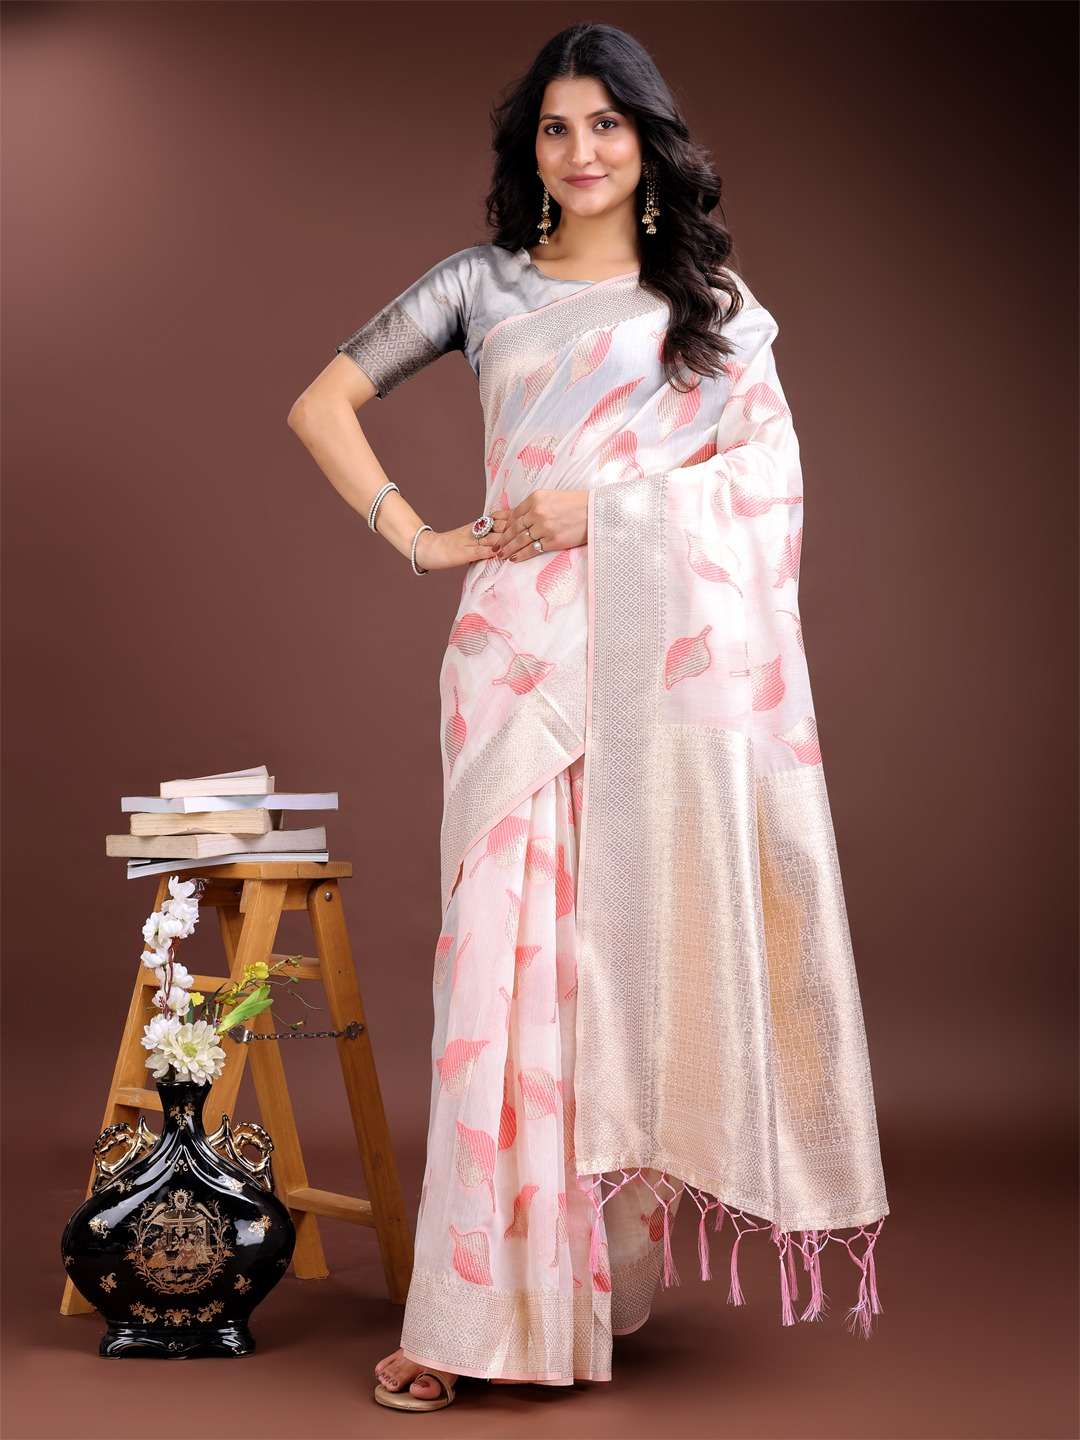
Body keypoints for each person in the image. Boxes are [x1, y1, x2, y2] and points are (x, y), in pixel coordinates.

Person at [288, 21, 889, 1413]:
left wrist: (600, 512)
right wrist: (420, 537)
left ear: (648, 140)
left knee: (607, 965)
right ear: (531, 151)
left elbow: (768, 485)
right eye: (556, 129)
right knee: (493, 983)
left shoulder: (710, 307)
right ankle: (469, 1314)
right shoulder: (482, 285)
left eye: (606, 125)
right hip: (514, 664)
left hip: (648, 674)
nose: (581, 151)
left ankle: (578, 1287)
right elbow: (320, 404)